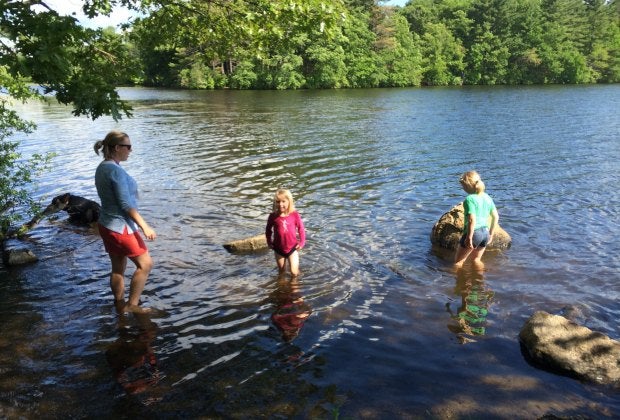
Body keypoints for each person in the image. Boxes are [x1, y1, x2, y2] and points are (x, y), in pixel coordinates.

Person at [94, 130, 156, 313]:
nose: (131, 150)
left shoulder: (103, 167)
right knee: (145, 264)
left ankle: (119, 305)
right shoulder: (115, 170)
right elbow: (125, 204)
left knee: (117, 268)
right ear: (116, 148)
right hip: (120, 227)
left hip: (106, 224)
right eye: (128, 146)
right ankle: (132, 306)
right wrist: (144, 226)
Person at [454, 171, 499, 267]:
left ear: (467, 186)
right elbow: (496, 217)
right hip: (485, 233)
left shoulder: (469, 199)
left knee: (458, 263)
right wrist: (491, 234)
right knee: (476, 260)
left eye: (463, 186)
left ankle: (452, 277)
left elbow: (471, 220)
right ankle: (481, 276)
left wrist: (469, 237)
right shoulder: (487, 197)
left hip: (474, 233)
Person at [265, 188, 306, 277]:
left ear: (289, 201)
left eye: (283, 201)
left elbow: (301, 229)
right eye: (278, 202)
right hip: (278, 249)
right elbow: (268, 230)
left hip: (292, 248)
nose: (280, 204)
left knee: (294, 272)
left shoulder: (294, 214)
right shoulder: (273, 216)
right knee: (282, 272)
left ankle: (297, 282)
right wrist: (269, 242)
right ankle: (282, 284)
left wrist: (302, 242)